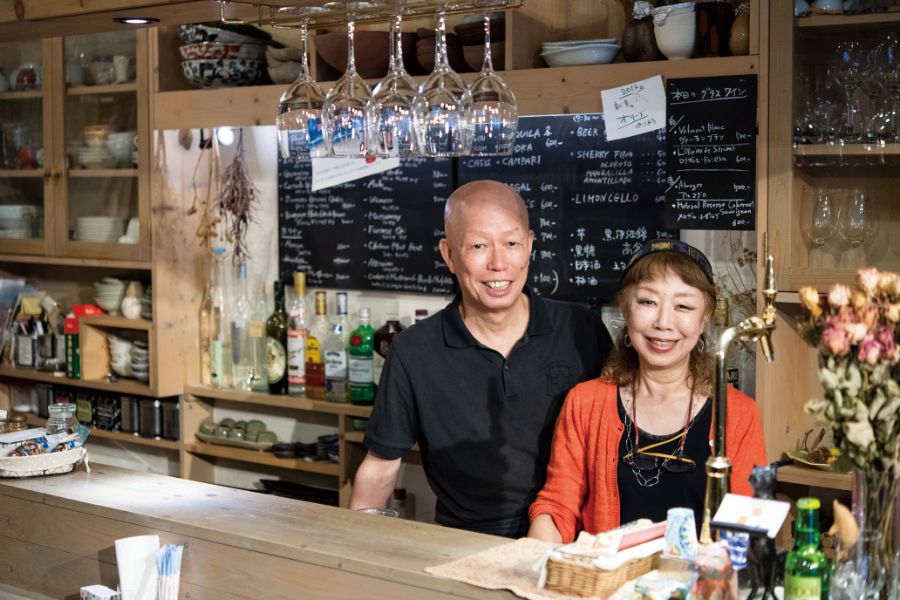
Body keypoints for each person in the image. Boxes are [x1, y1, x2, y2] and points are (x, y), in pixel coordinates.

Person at [350, 179, 613, 538]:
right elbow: (381, 467)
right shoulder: (415, 351)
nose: (498, 263)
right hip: (465, 541)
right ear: (449, 254)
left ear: (530, 245)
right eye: (478, 245)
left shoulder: (581, 330)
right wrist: (355, 551)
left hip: (575, 537)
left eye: (511, 243)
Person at [528, 239, 766, 543]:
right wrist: (533, 558)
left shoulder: (738, 414)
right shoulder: (584, 403)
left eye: (683, 306)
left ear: (704, 318)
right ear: (625, 309)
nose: (664, 322)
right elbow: (557, 506)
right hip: (607, 587)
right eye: (648, 302)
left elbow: (747, 527)